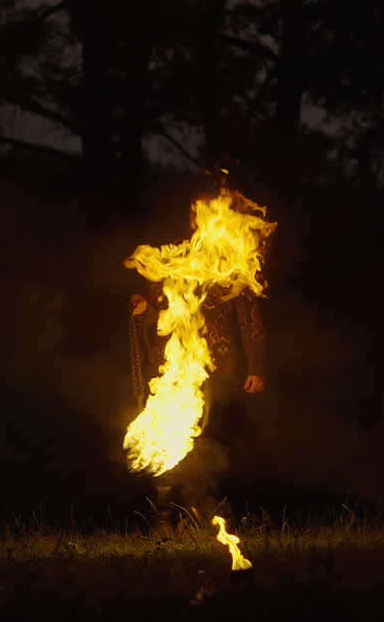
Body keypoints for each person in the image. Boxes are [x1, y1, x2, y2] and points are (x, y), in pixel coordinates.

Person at [127, 193, 269, 528]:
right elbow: (161, 306)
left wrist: (257, 366)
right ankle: (163, 517)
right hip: (170, 369)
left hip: (218, 371)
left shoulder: (235, 272)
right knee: (165, 434)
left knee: (204, 440)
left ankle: (201, 510)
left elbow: (252, 323)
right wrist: (146, 309)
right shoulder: (182, 264)